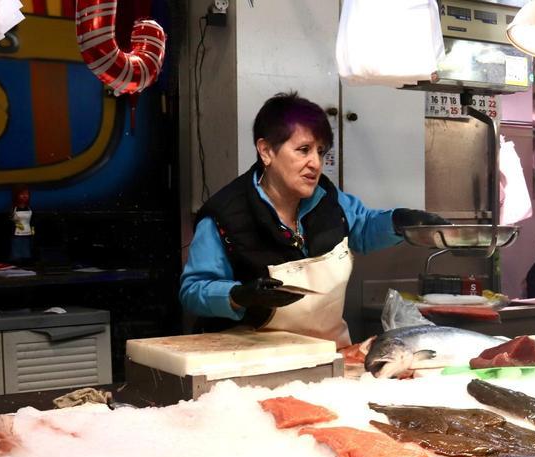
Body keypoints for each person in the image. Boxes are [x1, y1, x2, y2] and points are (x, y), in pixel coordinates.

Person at [180, 92, 444, 347]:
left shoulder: (329, 200)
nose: (316, 163)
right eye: (303, 150)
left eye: (320, 151)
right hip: (252, 361)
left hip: (328, 354)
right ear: (266, 151)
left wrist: (400, 221)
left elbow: (362, 227)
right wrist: (240, 295)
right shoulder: (225, 215)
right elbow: (193, 291)